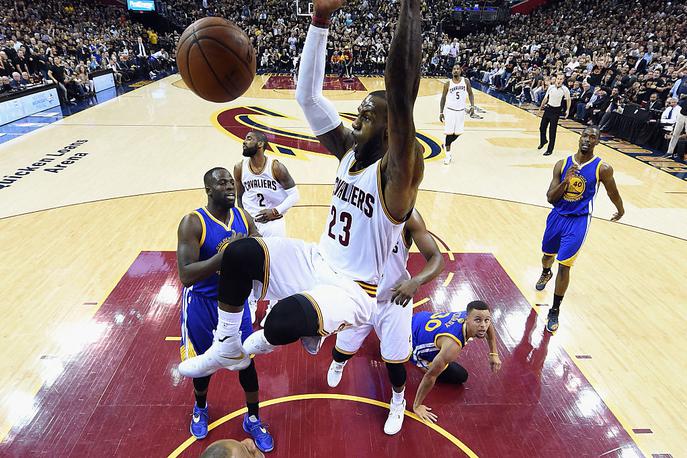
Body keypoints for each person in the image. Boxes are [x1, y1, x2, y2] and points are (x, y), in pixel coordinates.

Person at [178, 0, 425, 409]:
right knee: (238, 253)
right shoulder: (348, 151)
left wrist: (411, 8)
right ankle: (226, 346)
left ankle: (257, 344)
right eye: (360, 110)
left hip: (354, 288)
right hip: (316, 259)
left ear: (390, 131)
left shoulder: (397, 175)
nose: (357, 115)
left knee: (281, 320)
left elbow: (401, 95)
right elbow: (307, 97)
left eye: (368, 113)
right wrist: (320, 20)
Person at [176, 167, 273, 452]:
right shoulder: (193, 223)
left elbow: (258, 242)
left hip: (236, 303)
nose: (230, 186)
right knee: (205, 364)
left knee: (246, 361)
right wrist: (225, 257)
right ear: (208, 189)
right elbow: (186, 274)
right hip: (202, 305)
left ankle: (253, 418)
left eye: (231, 182)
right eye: (222, 183)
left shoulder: (242, 216)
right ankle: (201, 407)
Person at [326, 209, 444, 435]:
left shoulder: (408, 217)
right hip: (361, 295)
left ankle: (398, 403)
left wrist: (417, 281)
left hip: (395, 299)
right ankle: (339, 363)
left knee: (395, 362)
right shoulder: (357, 208)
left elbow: (437, 259)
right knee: (342, 351)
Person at [535, 126, 624, 332]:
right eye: (585, 135)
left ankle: (554, 309)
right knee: (547, 255)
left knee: (564, 265)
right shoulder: (561, 164)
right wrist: (566, 181)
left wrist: (620, 210)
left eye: (593, 137)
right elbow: (550, 197)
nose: (588, 139)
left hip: (579, 221)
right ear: (579, 138)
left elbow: (613, 192)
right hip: (557, 216)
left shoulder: (602, 168)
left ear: (597, 142)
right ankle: (545, 272)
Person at [234, 131, 300, 325]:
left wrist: (276, 211)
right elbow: (240, 197)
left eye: (249, 139)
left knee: (274, 267)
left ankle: (273, 305)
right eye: (244, 138)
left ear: (261, 144)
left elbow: (295, 195)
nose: (244, 142)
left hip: (273, 223)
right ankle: (252, 303)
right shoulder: (239, 168)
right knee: (249, 266)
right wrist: (242, 219)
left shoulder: (276, 167)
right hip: (252, 224)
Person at [411, 301, 501, 424]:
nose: (483, 326)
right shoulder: (453, 346)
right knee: (455, 375)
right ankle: (421, 362)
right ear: (467, 319)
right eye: (478, 321)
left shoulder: (471, 314)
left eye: (487, 320)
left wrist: (493, 354)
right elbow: (430, 376)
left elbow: (488, 327)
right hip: (411, 338)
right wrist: (417, 405)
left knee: (459, 374)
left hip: (421, 319)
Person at [439, 64, 474, 165]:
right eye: (454, 69)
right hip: (450, 111)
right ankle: (448, 155)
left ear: (461, 71)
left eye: (458, 69)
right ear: (452, 71)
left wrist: (472, 106)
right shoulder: (447, 84)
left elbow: (470, 93)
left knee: (458, 133)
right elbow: (443, 98)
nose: (456, 70)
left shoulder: (466, 81)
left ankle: (445, 145)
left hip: (461, 111)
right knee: (449, 133)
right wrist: (441, 112)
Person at [538, 74, 571, 156]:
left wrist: (567, 110)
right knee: (542, 127)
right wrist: (540, 108)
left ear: (563, 80)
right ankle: (543, 141)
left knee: (552, 131)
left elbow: (568, 100)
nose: (559, 80)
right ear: (555, 79)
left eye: (561, 79)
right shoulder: (551, 87)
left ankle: (550, 149)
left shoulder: (565, 89)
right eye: (558, 79)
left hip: (556, 111)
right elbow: (545, 98)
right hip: (548, 108)